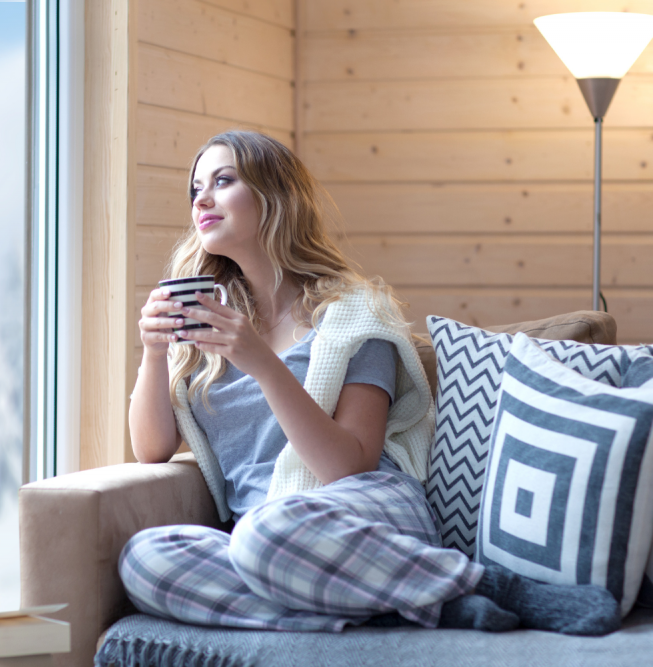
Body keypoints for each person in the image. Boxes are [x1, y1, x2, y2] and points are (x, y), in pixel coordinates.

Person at [120, 130, 620, 635]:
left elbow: (347, 466)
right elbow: (152, 449)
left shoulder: (353, 314)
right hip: (273, 539)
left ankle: (492, 586)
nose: (201, 199)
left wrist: (262, 363)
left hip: (366, 511)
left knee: (265, 534)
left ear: (274, 197)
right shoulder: (207, 325)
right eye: (195, 189)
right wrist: (155, 351)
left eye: (223, 181)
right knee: (145, 558)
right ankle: (417, 604)